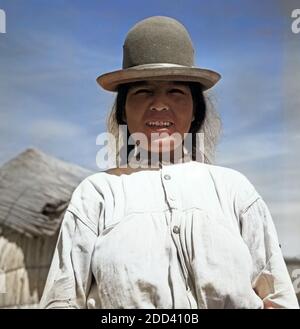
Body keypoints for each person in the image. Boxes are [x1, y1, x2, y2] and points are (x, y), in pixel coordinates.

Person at [40, 16, 299, 309]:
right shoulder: (97, 194)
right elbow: (61, 301)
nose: (160, 103)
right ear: (123, 111)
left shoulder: (235, 190)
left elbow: (278, 299)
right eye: (143, 91)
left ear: (195, 110)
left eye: (176, 91)